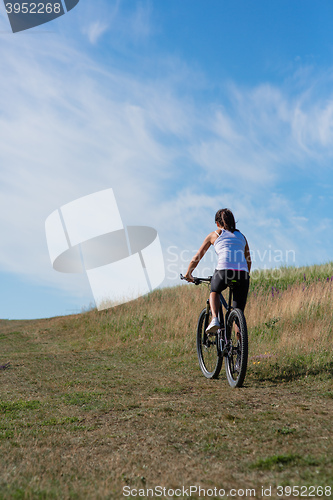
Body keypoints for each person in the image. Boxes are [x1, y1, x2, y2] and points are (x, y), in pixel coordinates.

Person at [184, 208, 251, 333]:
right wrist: (245, 276)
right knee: (239, 315)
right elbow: (248, 260)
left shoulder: (215, 234)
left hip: (223, 271)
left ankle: (215, 319)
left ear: (217, 223)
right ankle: (240, 348)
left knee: (214, 290)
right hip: (243, 274)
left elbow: (196, 258)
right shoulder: (242, 236)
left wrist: (188, 274)